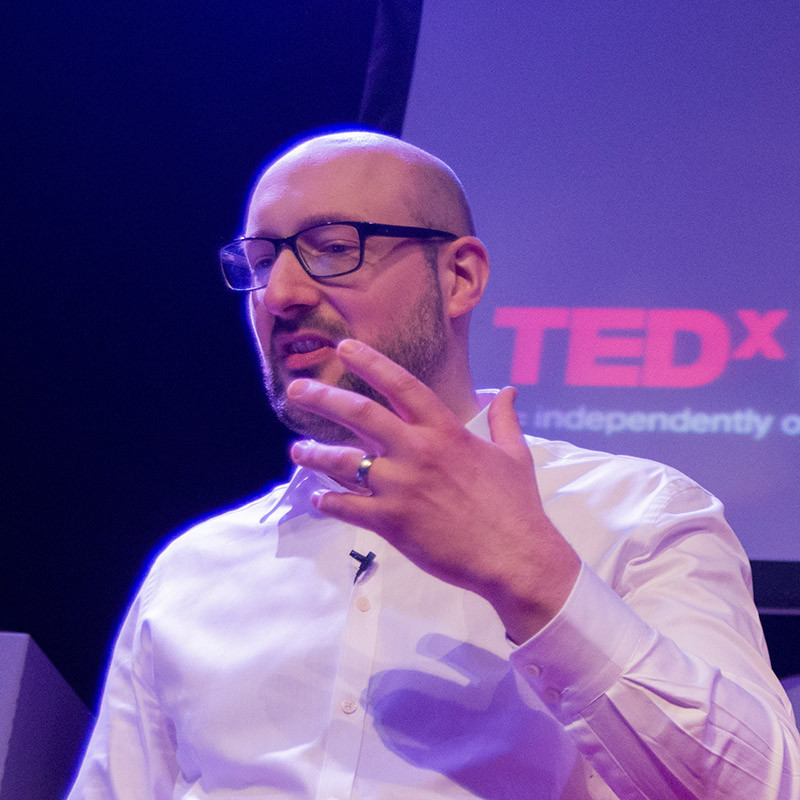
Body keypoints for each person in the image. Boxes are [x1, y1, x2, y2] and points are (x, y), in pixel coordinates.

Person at [68, 131, 800, 799]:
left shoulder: (639, 512)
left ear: (458, 278)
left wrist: (537, 579)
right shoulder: (194, 569)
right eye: (261, 263)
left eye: (331, 247)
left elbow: (767, 787)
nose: (281, 295)